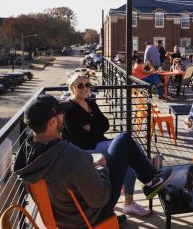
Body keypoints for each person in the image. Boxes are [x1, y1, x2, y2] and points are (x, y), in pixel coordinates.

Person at [14, 94, 172, 228]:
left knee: (118, 145)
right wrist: (101, 168)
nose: (64, 116)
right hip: (89, 216)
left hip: (64, 217)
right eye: (60, 114)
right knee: (123, 139)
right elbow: (100, 199)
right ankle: (151, 181)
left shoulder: (26, 156)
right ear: (52, 122)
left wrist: (89, 164)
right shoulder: (69, 155)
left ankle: (150, 180)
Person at [62, 73, 151, 217]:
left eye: (88, 85)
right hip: (85, 150)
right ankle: (149, 179)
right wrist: (94, 126)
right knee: (127, 147)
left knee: (127, 153)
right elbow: (79, 138)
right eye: (80, 85)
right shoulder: (68, 109)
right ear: (72, 88)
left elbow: (105, 124)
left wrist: (90, 126)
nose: (85, 88)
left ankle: (129, 202)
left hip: (100, 143)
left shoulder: (90, 102)